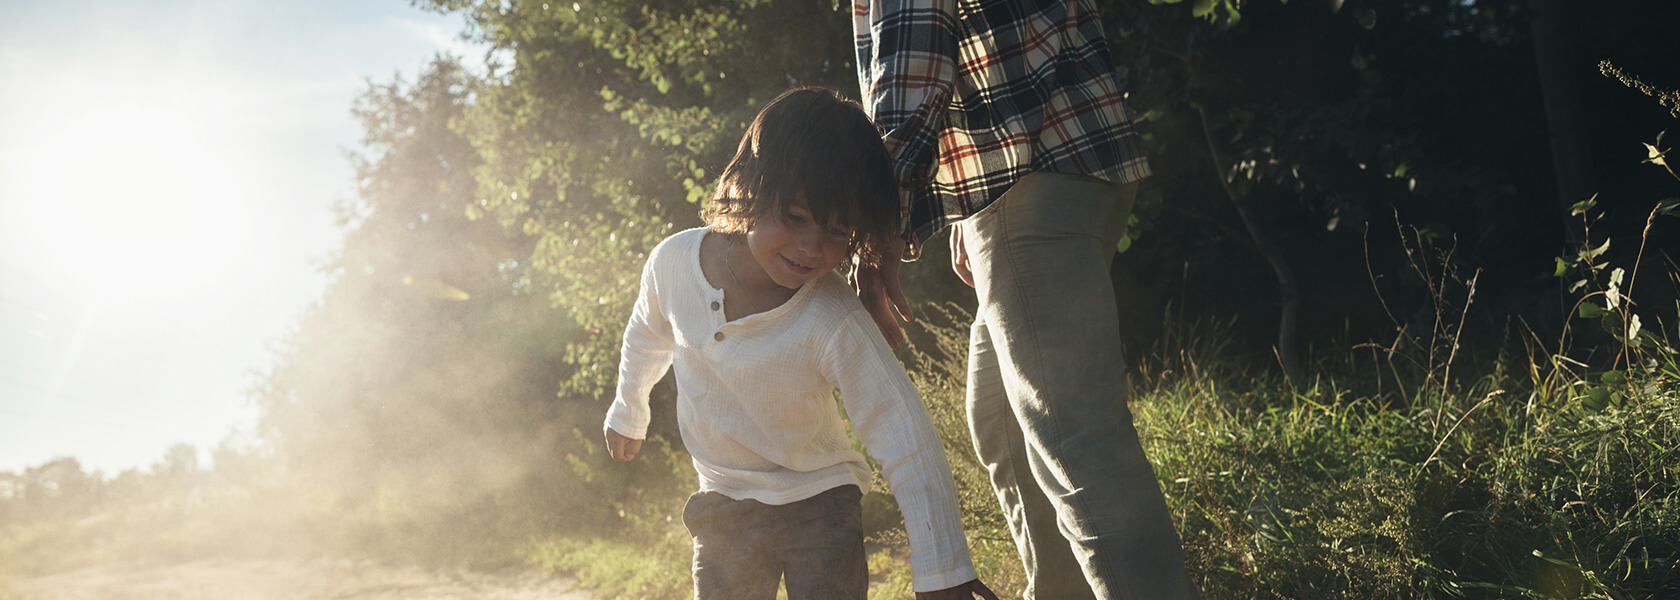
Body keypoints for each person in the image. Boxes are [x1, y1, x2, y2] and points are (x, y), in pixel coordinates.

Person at [851, 1, 1200, 599]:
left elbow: (911, 60)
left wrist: (878, 221)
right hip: (1065, 153)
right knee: (1001, 421)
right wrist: (967, 201)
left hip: (1035, 176)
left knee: (1077, 441)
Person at [603, 87, 998, 600]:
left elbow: (903, 432)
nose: (812, 248)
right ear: (748, 188)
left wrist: (943, 573)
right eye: (794, 217)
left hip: (820, 504)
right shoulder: (673, 263)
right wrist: (628, 408)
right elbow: (646, 333)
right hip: (722, 500)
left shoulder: (831, 317)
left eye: (838, 232)